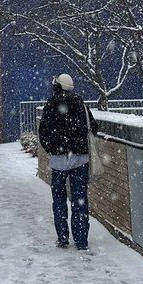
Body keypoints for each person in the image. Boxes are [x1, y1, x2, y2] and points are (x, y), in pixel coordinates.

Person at [37, 73, 97, 251]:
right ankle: (81, 240)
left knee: (59, 199)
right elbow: (93, 127)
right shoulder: (81, 104)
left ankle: (62, 237)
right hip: (80, 159)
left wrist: (52, 148)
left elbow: (44, 132)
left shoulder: (51, 104)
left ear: (57, 87)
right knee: (79, 200)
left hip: (58, 161)